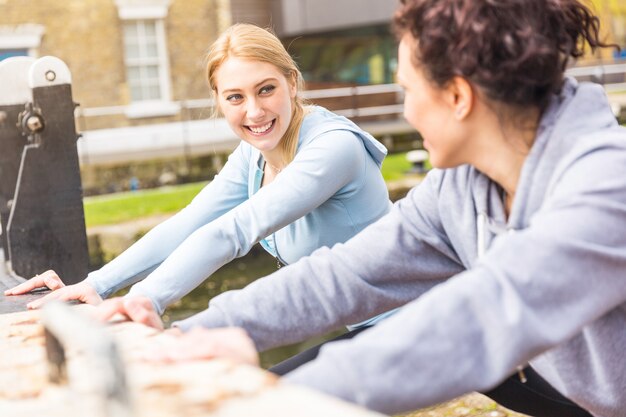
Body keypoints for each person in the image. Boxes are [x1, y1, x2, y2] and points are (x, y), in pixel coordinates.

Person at [92, 0, 626, 416]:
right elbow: (348, 274)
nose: (404, 110)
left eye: (407, 90)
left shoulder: (602, 190)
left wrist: (278, 396)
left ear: (458, 97)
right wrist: (207, 330)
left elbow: (483, 316)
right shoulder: (458, 188)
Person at [4, 24, 392, 322]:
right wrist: (96, 284)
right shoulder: (253, 156)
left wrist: (143, 299)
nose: (254, 112)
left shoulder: (332, 148)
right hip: (358, 326)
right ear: (219, 101)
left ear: (292, 83)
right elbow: (190, 222)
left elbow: (235, 231)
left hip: (408, 321)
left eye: (266, 89)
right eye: (236, 97)